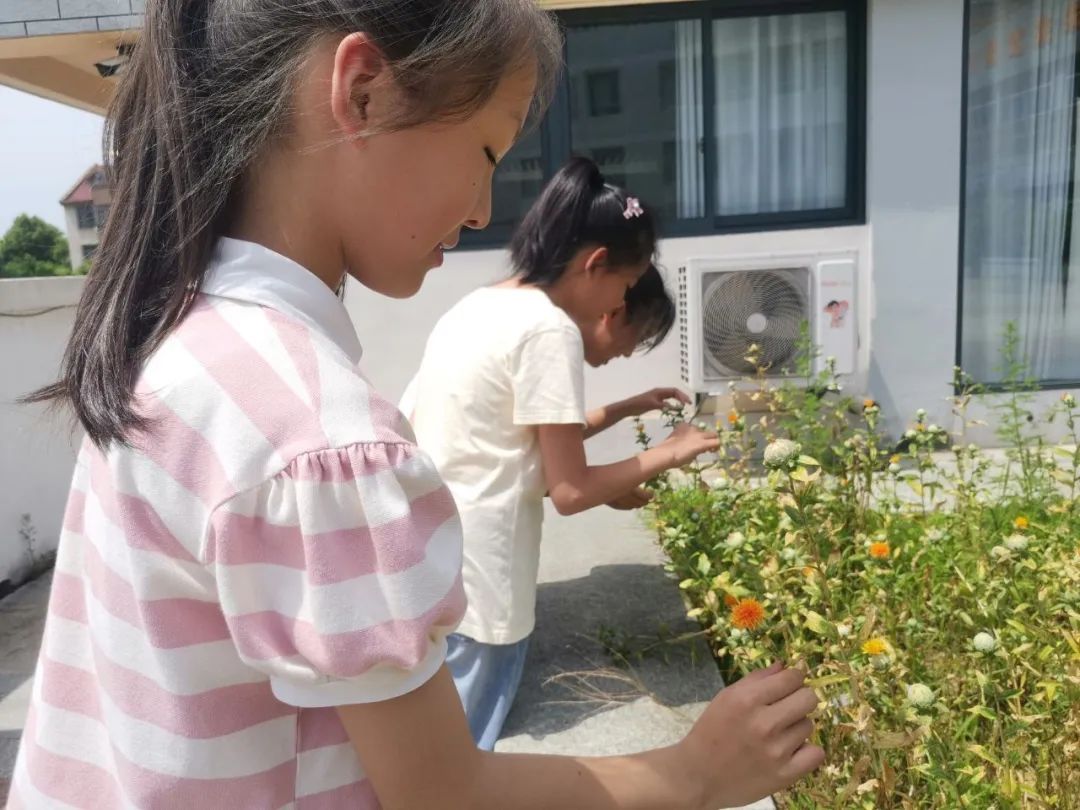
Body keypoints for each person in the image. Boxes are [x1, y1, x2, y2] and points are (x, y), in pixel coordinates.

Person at [12, 2, 823, 808]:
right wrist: (694, 774)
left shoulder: (175, 344)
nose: (481, 209)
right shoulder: (316, 435)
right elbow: (444, 794)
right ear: (363, 91)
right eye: (485, 151)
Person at [399, 159, 715, 750]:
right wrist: (671, 452)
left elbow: (513, 443)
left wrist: (624, 415)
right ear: (597, 264)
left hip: (436, 561)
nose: (616, 305)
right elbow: (570, 492)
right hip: (486, 577)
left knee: (433, 750)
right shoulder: (549, 331)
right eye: (625, 286)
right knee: (460, 762)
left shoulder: (481, 305)